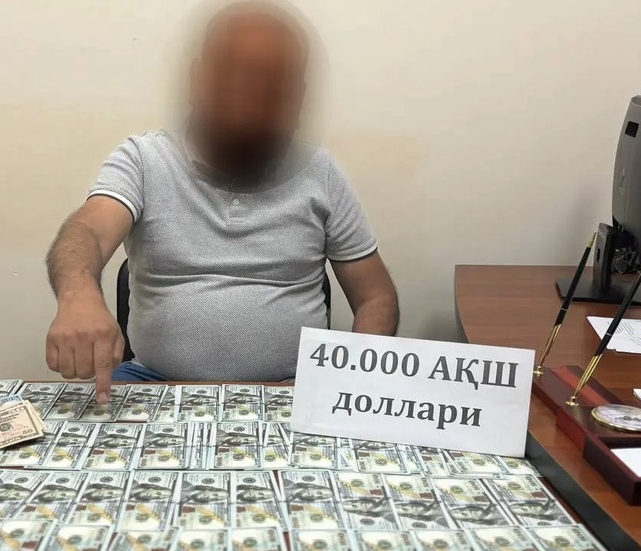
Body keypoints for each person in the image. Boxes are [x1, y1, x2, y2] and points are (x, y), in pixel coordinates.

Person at [45, 0, 398, 401]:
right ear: (198, 79)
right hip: (154, 381)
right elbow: (88, 230)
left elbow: (375, 296)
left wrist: (355, 383)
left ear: (297, 100)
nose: (252, 108)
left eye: (275, 91)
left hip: (293, 388)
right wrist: (77, 294)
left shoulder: (322, 172)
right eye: (238, 81)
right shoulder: (143, 160)